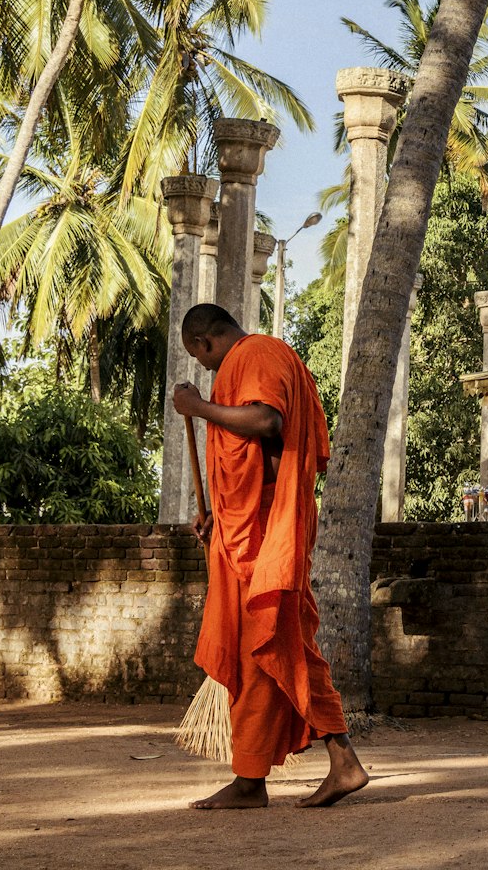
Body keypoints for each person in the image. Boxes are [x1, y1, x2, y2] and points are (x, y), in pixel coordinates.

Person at [173, 303, 369, 811]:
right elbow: (250, 460)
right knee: (273, 644)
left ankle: (255, 780)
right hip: (248, 523)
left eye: (201, 357)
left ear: (205, 342)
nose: (206, 370)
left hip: (268, 526)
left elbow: (265, 420)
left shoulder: (257, 353)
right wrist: (220, 511)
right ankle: (301, 768)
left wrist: (199, 408)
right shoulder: (254, 357)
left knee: (271, 640)